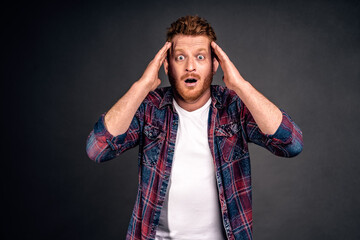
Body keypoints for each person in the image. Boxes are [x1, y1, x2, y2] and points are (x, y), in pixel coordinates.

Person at [86, 15, 303, 240]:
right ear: (167, 66)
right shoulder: (149, 108)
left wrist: (240, 85)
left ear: (214, 64)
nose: (190, 67)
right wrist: (141, 87)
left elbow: (291, 144)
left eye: (200, 57)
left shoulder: (234, 106)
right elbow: (98, 149)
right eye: (180, 57)